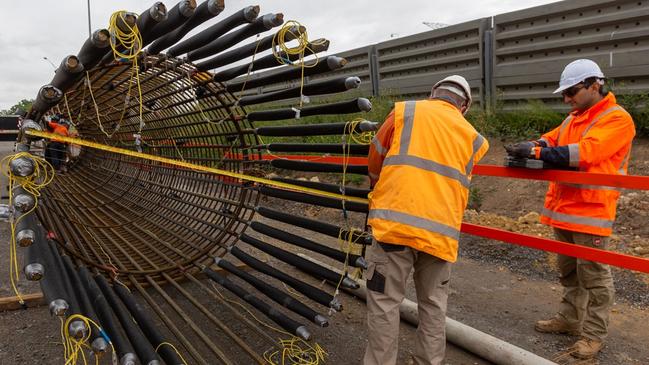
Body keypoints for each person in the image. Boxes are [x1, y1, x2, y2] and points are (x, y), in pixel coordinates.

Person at [505, 59, 635, 359]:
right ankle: (570, 319)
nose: (567, 99)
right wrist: (531, 144)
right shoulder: (574, 118)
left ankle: (592, 336)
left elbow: (584, 154)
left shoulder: (617, 118)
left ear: (594, 85)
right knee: (569, 273)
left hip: (592, 212)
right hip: (564, 210)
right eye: (564, 94)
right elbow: (553, 139)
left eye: (572, 92)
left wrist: (536, 152)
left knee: (595, 278)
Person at [364, 75, 489, 365]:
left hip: (394, 227)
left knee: (385, 303)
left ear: (434, 93)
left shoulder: (406, 111)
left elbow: (376, 153)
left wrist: (375, 184)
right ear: (465, 106)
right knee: (433, 307)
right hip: (440, 236)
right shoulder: (474, 139)